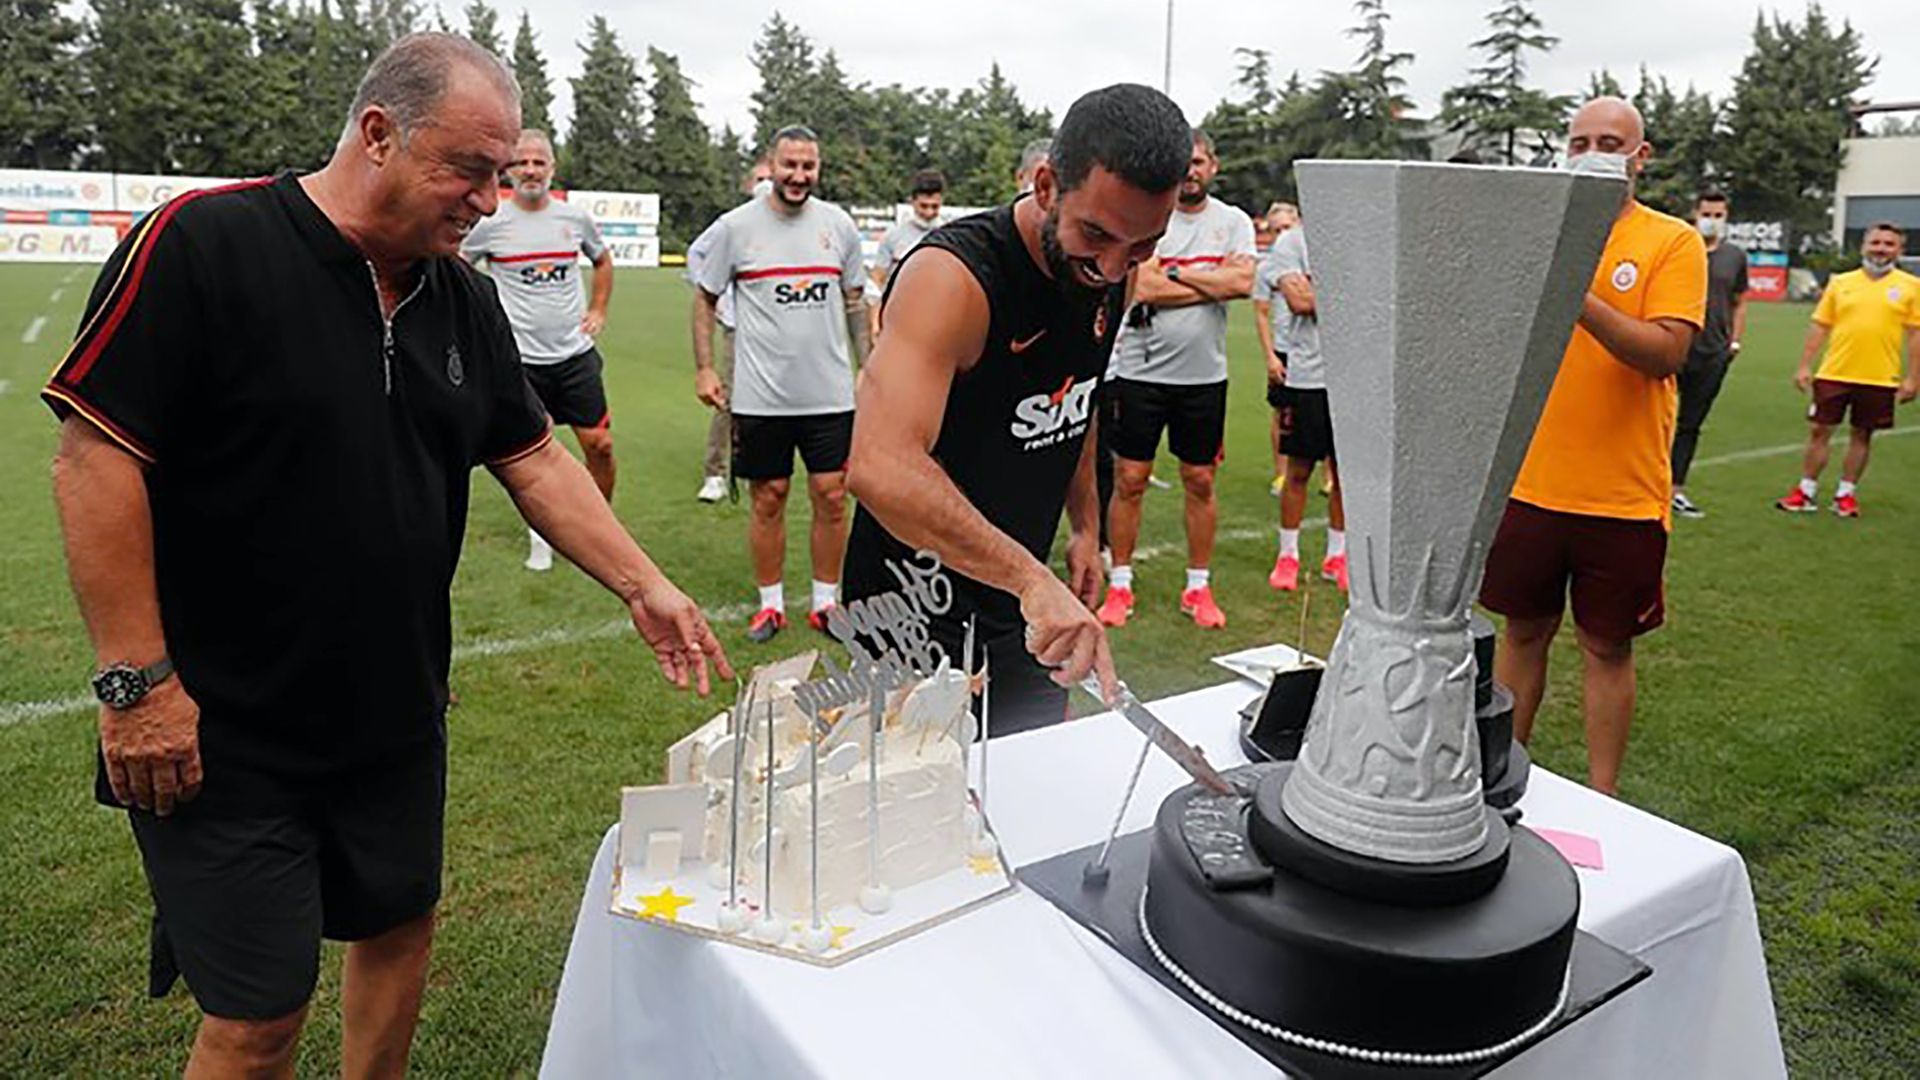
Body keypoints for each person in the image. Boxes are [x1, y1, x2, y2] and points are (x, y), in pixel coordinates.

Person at [39, 33, 728, 1076]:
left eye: (502, 174)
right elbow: (96, 459)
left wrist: (646, 584)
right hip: (220, 728)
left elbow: (535, 458)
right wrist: (138, 685)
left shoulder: (460, 295)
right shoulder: (205, 244)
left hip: (396, 711)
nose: (489, 200)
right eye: (469, 170)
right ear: (377, 134)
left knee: (399, 936)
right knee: (259, 1018)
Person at [842, 83, 1191, 734]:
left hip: (1022, 605)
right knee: (921, 791)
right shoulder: (953, 278)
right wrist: (1031, 579)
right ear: (1046, 185)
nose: (1113, 268)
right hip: (910, 603)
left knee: (1032, 780)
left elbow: (1076, 398)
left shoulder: (1115, 274)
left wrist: (1085, 526)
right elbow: (878, 465)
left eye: (1143, 244)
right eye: (1096, 234)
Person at [1479, 97, 1707, 796]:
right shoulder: (1536, 234)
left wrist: (1575, 296)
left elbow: (1665, 352)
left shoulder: (1671, 242)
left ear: (1641, 156)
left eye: (1610, 142)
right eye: (1579, 142)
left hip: (1622, 493)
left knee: (1606, 646)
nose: (1592, 155)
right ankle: (1504, 775)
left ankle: (1604, 798)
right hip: (1530, 480)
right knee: (1523, 633)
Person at [692, 125, 870, 642]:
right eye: (789, 165)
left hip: (829, 394)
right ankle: (770, 606)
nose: (798, 175)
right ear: (771, 165)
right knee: (768, 496)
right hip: (761, 395)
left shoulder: (838, 225)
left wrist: (869, 364)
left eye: (808, 166)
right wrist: (705, 367)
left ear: (818, 168)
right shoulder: (735, 227)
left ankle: (825, 603)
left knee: (831, 496)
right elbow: (704, 297)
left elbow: (855, 300)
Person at [1096, 130, 1255, 630]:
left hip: (1203, 377)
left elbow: (1243, 283)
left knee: (1200, 480)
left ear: (1214, 166)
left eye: (1199, 162)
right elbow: (1141, 287)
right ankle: (1120, 585)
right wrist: (1210, 283)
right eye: (1184, 162)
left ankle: (1198, 587)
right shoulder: (1149, 217)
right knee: (1130, 479)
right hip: (1140, 373)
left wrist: (1176, 275)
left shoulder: (1232, 222)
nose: (1190, 171)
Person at [460, 128, 617, 570]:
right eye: (521, 162)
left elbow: (602, 260)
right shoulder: (491, 223)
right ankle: (542, 536)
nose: (530, 170)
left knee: (601, 445)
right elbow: (457, 268)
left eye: (538, 162)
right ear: (508, 169)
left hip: (574, 355)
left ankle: (598, 524)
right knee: (532, 457)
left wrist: (598, 308)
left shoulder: (574, 219)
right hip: (520, 362)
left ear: (552, 168)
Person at [1774, 222, 1919, 517]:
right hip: (1834, 372)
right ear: (1864, 246)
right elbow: (1820, 325)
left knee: (1862, 435)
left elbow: (1916, 334)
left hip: (1880, 376)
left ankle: (1845, 494)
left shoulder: (1911, 286)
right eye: (1875, 242)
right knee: (1819, 431)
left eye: (1889, 244)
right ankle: (1805, 490)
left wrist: (1913, 378)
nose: (1881, 249)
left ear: (1899, 250)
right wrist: (1804, 365)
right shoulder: (1841, 283)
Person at [1254, 219, 1347, 592]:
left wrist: (1318, 291)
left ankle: (1337, 555)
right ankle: (1288, 555)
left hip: (1353, 379)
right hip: (1307, 375)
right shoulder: (1292, 242)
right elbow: (1299, 302)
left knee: (1345, 475)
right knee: (1298, 471)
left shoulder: (1359, 238)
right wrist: (1356, 295)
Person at [688, 157, 773, 504]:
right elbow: (697, 253)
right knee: (731, 400)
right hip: (742, 327)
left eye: (770, 177)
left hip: (781, 331)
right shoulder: (734, 224)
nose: (766, 184)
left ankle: (761, 465)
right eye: (760, 178)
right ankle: (715, 472)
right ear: (749, 186)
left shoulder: (793, 222)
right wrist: (717, 297)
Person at [1670, 190, 1748, 518]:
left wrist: (1734, 341)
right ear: (1695, 213)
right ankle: (1640, 484)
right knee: (1652, 419)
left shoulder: (1734, 256)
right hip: (1672, 346)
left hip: (1713, 351)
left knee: (1690, 423)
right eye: (1707, 214)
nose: (1711, 220)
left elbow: (1739, 300)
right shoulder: (1678, 245)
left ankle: (1675, 490)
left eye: (1718, 215)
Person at [868, 169, 946, 339]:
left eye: (934, 207)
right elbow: (877, 279)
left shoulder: (950, 234)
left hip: (938, 318)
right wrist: (875, 322)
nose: (929, 213)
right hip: (898, 318)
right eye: (923, 206)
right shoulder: (894, 235)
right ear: (912, 201)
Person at [1260, 200, 1300, 497]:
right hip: (1284, 347)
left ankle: (1329, 477)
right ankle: (1282, 473)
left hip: (1315, 350)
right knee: (1281, 413)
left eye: (1287, 227)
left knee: (1326, 411)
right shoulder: (1267, 268)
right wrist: (1271, 356)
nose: (1282, 234)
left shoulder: (1314, 260)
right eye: (1276, 230)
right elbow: (1261, 313)